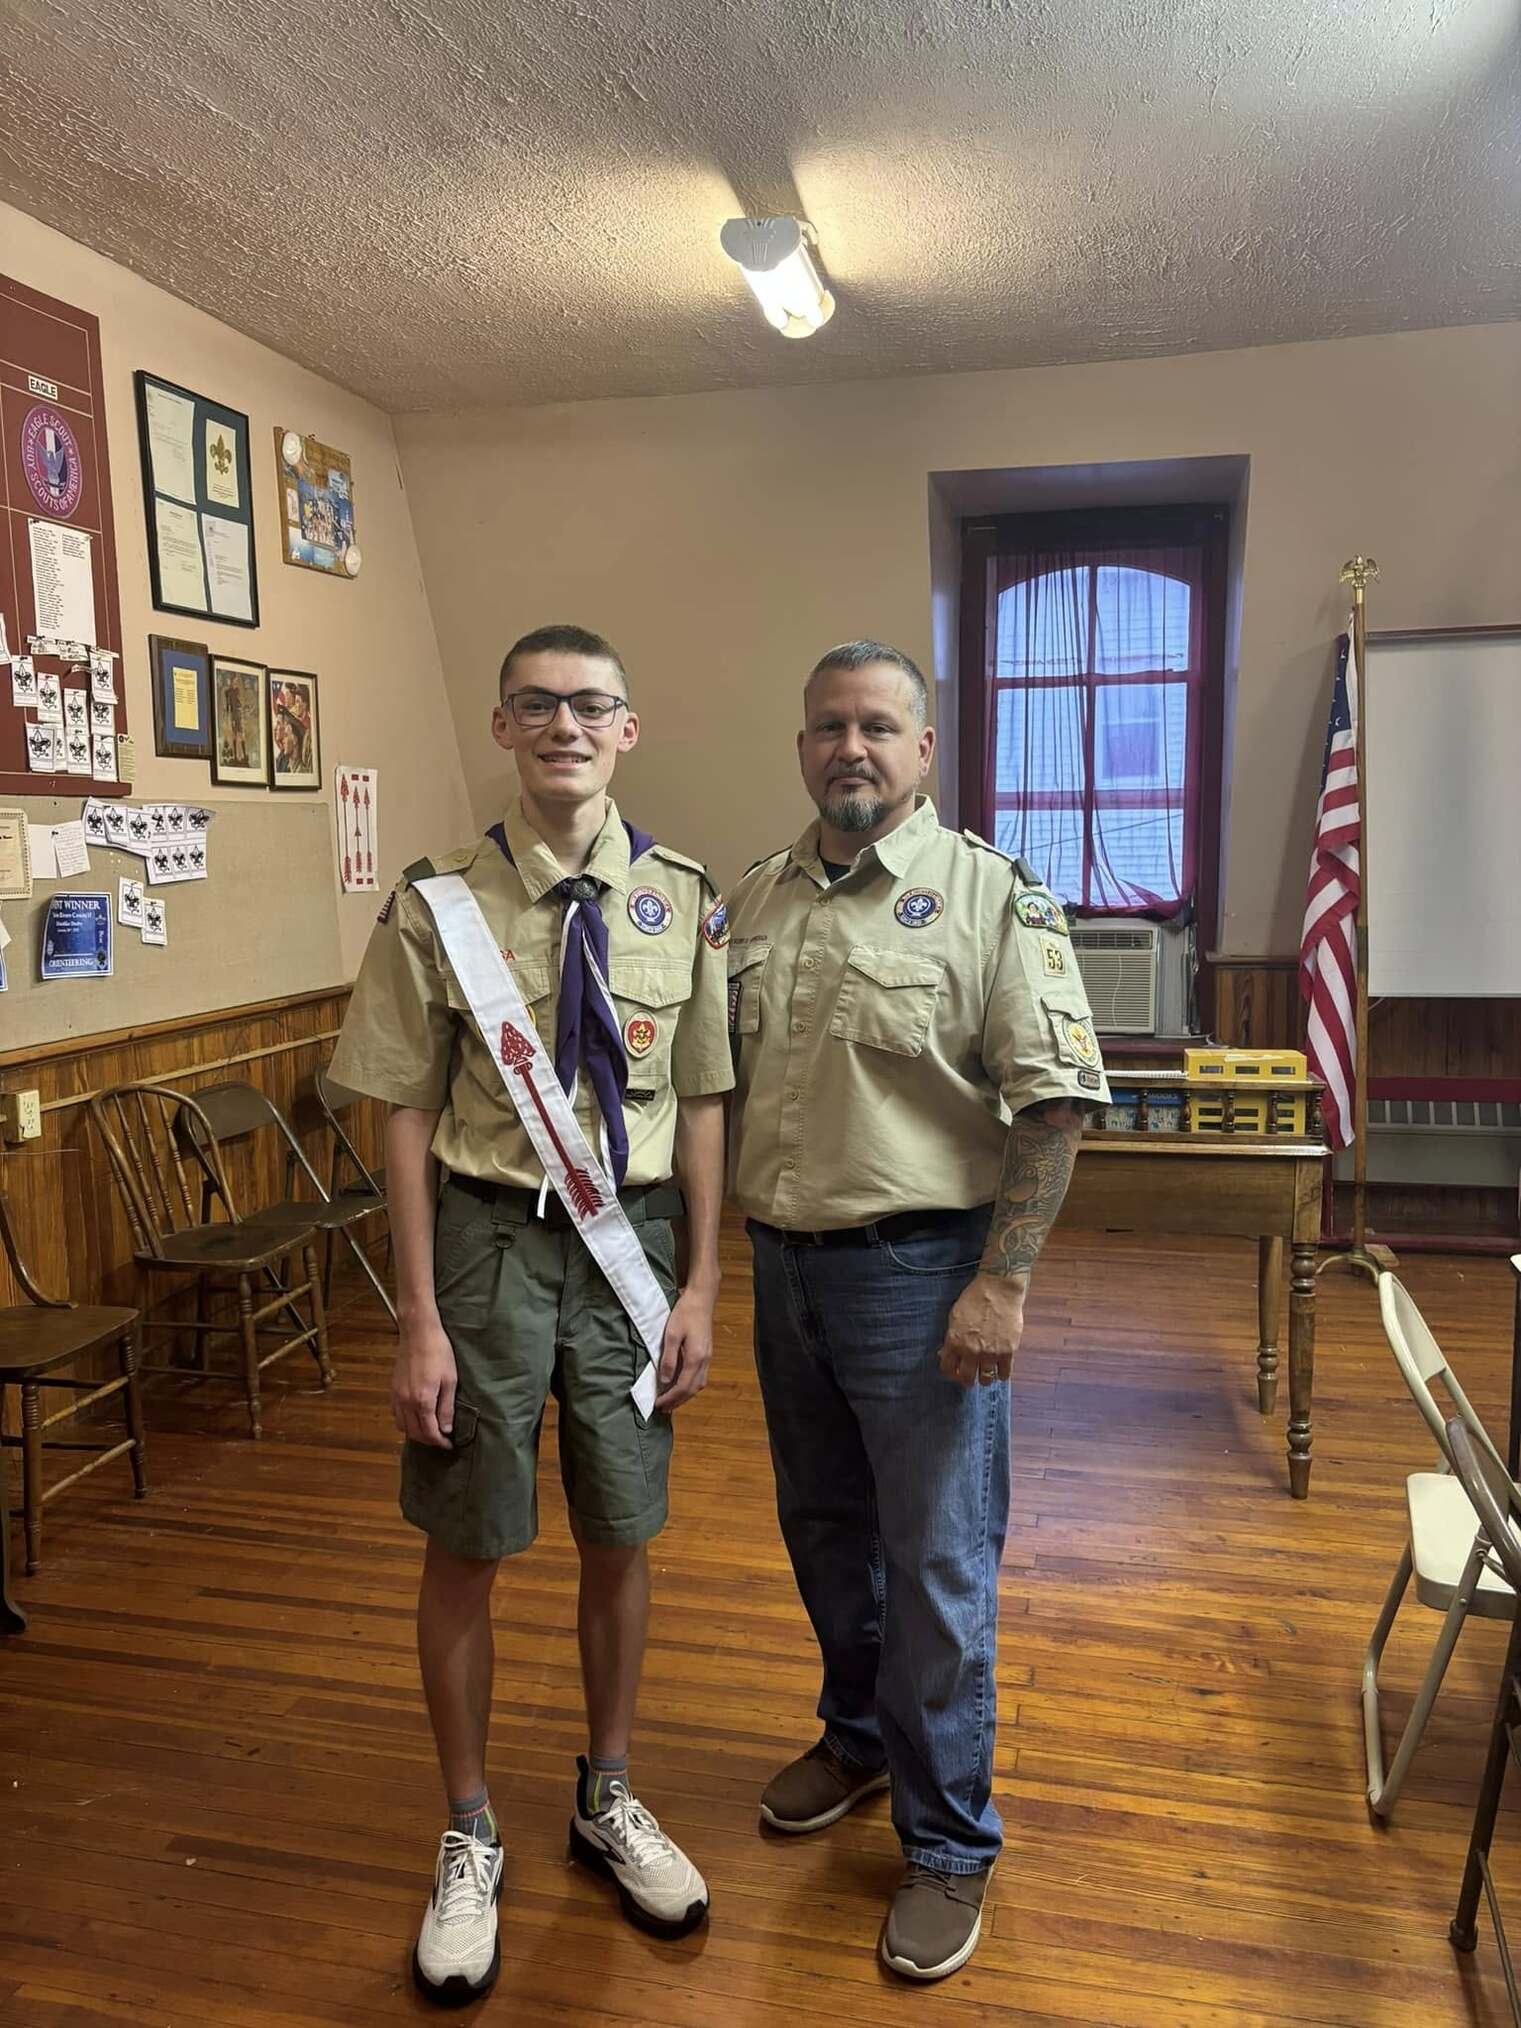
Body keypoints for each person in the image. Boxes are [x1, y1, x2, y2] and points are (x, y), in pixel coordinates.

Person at [330, 623, 732, 2006]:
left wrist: (702, 1282)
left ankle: (605, 1794)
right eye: (538, 706)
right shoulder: (437, 901)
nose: (566, 726)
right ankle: (468, 1826)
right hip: (489, 1251)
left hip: (632, 1255)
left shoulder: (681, 897)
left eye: (592, 706)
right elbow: (403, 1106)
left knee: (622, 1533)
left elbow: (705, 1102)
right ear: (503, 727)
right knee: (468, 1540)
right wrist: (416, 1319)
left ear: (629, 727)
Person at [726, 639, 1109, 1983]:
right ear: (802, 745)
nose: (852, 748)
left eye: (879, 727)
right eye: (828, 726)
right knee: (826, 1533)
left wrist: (1001, 1283)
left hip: (919, 1278)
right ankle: (856, 1738)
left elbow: (1054, 1103)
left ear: (923, 749)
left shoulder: (988, 899)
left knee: (939, 1562)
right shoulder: (755, 903)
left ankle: (948, 1844)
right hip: (781, 1269)